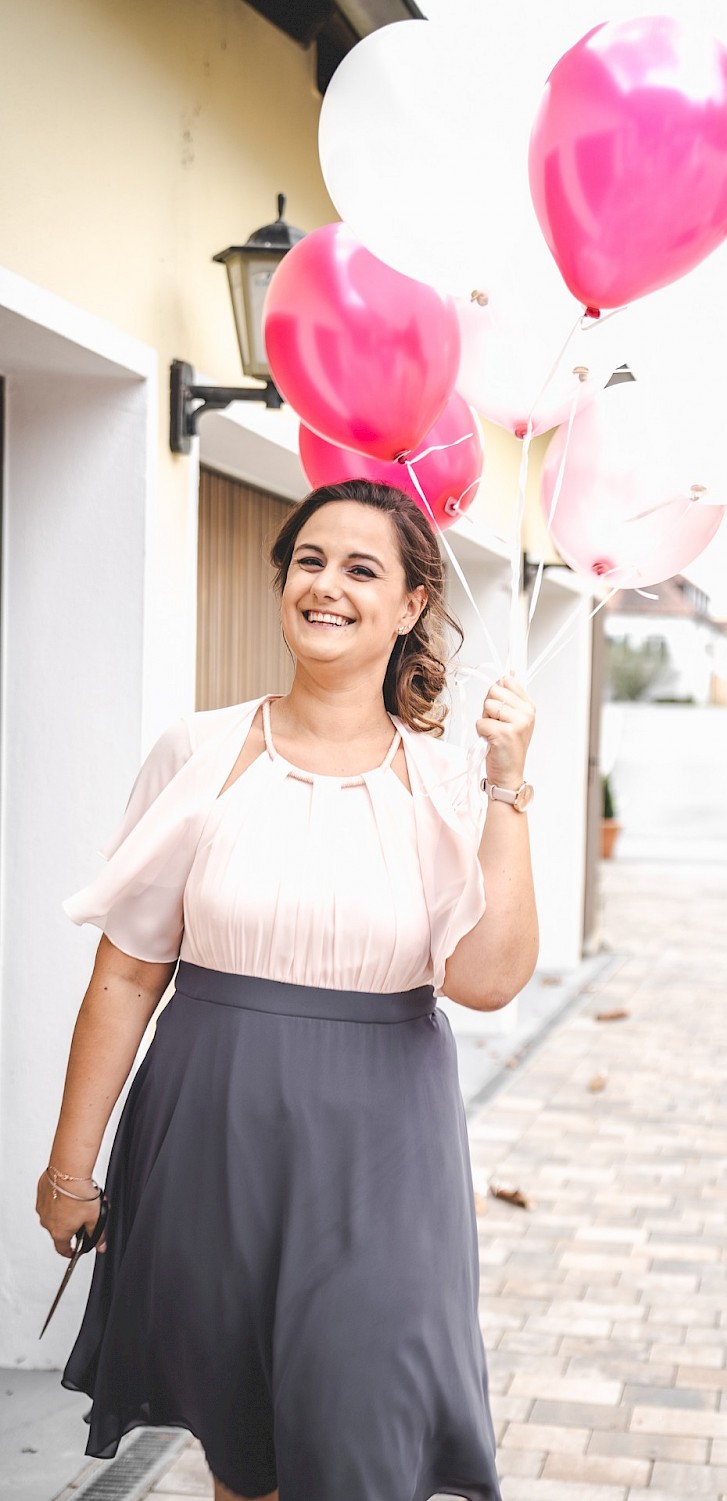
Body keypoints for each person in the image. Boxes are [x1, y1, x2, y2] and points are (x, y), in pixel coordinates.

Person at [36, 479, 538, 1501]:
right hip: (210, 1141)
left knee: (361, 1440)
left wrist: (508, 784)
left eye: (362, 568)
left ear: (409, 606)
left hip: (383, 1157)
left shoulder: (448, 781)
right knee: (245, 1452)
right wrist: (69, 1168)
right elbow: (129, 973)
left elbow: (485, 980)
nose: (326, 585)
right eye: (310, 560)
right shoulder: (199, 750)